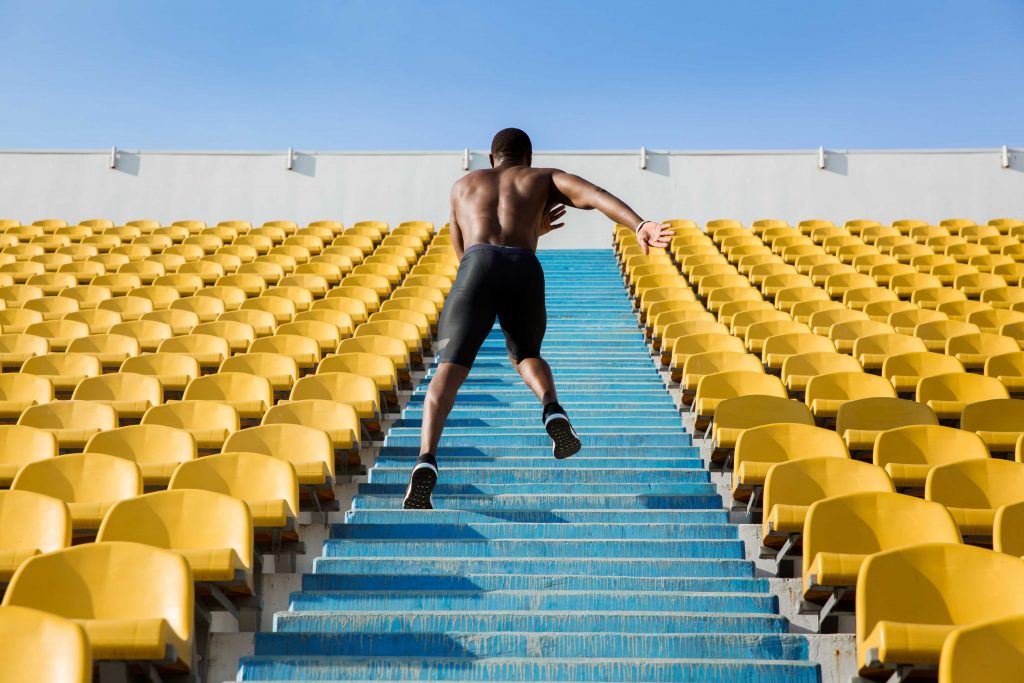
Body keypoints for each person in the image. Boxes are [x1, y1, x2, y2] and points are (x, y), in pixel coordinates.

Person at [403, 127, 674, 509]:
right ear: (527, 157)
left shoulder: (463, 184)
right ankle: (551, 409)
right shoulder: (542, 177)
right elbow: (594, 195)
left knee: (449, 366)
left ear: (492, 158)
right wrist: (639, 224)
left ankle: (426, 458)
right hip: (523, 266)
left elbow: (462, 247)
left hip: (475, 266)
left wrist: (498, 252)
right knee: (527, 353)